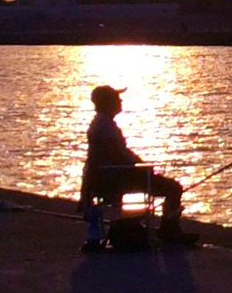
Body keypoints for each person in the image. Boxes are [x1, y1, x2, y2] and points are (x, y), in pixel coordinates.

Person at [82, 85, 196, 249]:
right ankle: (169, 230)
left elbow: (121, 155)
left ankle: (168, 229)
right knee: (173, 188)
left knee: (163, 183)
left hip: (108, 177)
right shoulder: (105, 127)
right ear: (107, 103)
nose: (120, 101)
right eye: (116, 98)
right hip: (115, 179)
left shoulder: (101, 124)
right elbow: (120, 156)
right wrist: (143, 168)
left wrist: (140, 165)